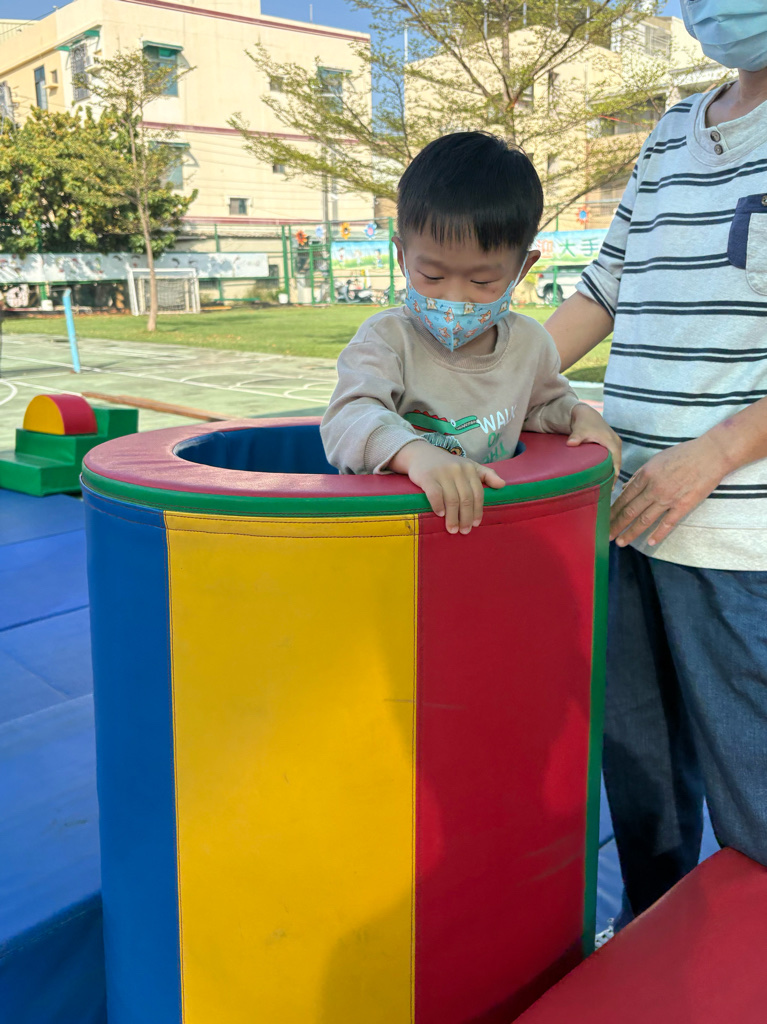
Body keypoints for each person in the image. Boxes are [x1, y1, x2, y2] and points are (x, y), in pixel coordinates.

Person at [545, 0, 767, 931]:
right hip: (622, 516)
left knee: (755, 799)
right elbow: (603, 289)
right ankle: (655, 955)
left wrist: (710, 456)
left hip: (737, 539)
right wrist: (489, 381)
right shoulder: (673, 129)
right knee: (643, 792)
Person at [321, 131, 620, 534]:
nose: (455, 298)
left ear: (522, 269)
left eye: (482, 282)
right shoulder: (387, 338)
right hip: (394, 533)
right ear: (402, 256)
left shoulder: (530, 344)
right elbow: (347, 419)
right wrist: (415, 453)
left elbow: (540, 407)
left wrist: (577, 414)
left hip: (486, 531)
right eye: (432, 275)